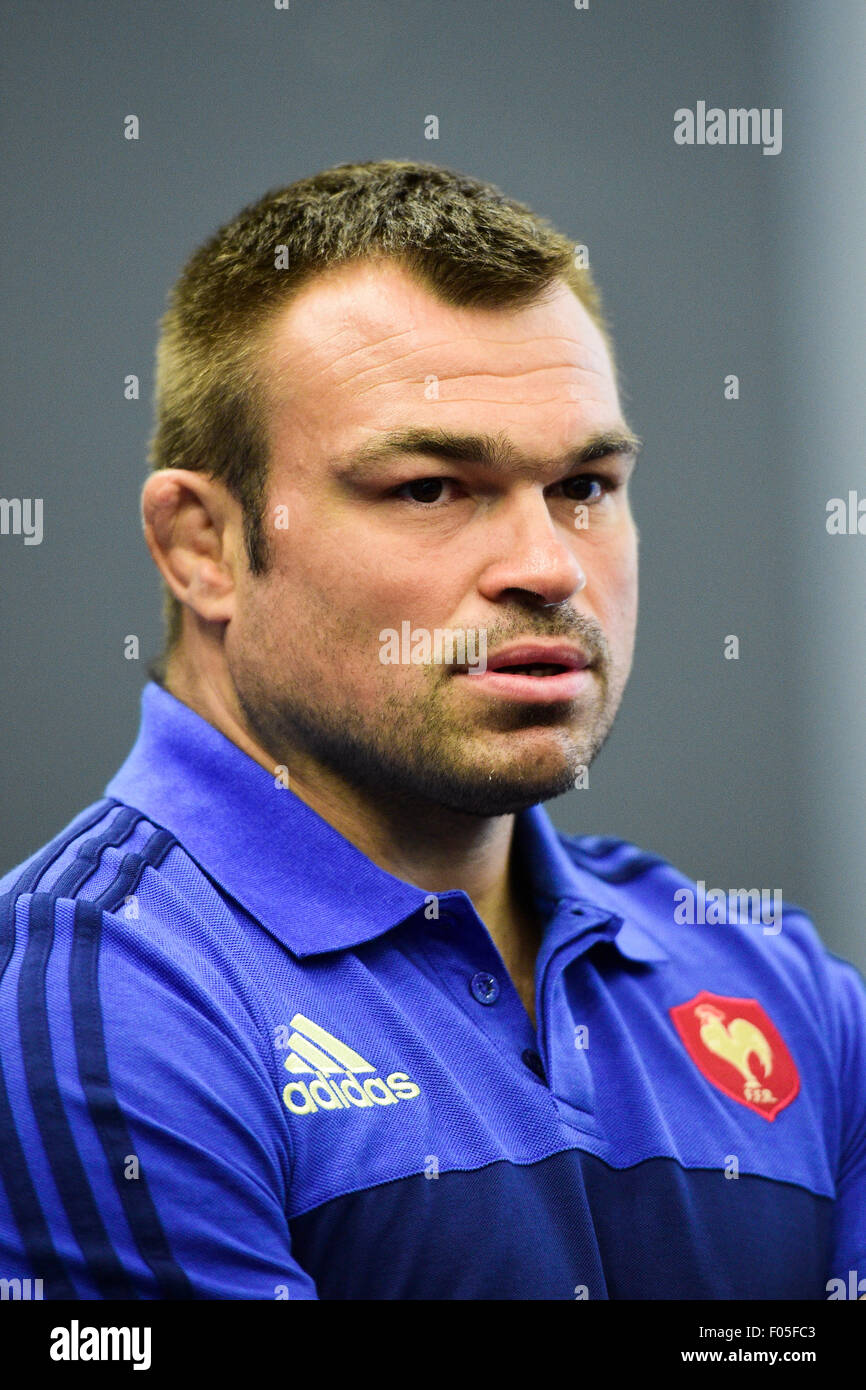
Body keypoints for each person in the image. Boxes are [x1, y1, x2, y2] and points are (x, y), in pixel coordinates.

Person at [1, 160, 863, 1300]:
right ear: (201, 545)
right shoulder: (86, 999)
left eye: (586, 484)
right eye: (429, 487)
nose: (549, 566)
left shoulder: (778, 982)